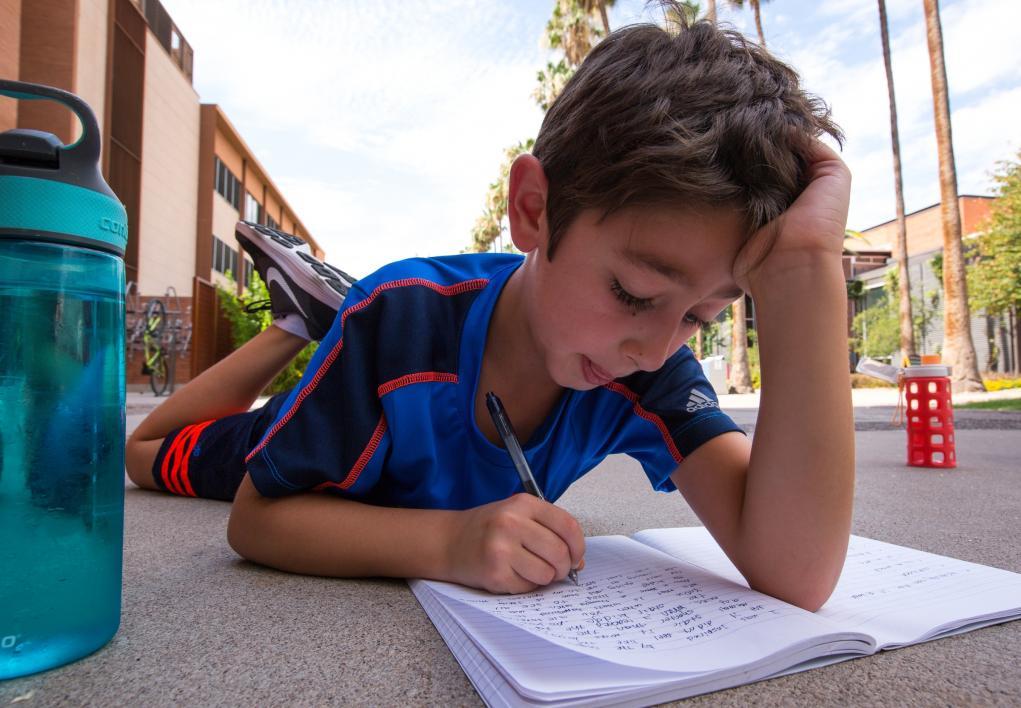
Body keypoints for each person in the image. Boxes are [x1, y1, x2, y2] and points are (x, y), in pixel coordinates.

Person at [126, 17, 853, 610]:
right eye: (632, 293)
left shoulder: (648, 371)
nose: (656, 348)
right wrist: (447, 545)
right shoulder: (402, 317)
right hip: (317, 426)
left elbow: (793, 573)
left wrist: (809, 272)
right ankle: (297, 322)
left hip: (371, 402)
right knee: (141, 453)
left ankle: (317, 315)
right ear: (534, 210)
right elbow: (256, 519)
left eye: (700, 316)